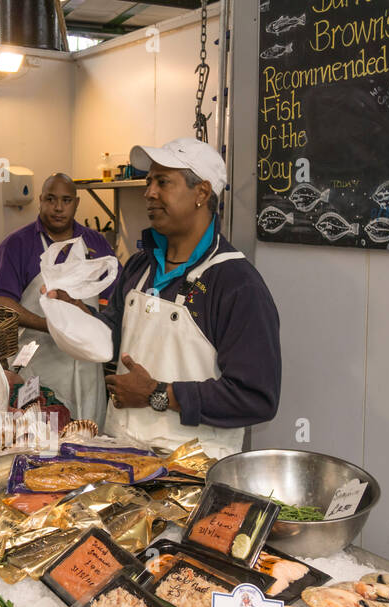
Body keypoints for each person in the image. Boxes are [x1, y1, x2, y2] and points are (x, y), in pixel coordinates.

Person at [50, 138, 281, 460]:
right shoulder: (139, 266)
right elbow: (116, 340)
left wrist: (159, 394)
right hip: (122, 453)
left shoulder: (235, 283)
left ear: (201, 193)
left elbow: (255, 396)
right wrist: (77, 317)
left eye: (163, 182)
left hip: (190, 469)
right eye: (148, 182)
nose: (149, 193)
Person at [0, 173, 120, 424]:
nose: (58, 207)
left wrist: (90, 327)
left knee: (88, 440)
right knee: (38, 440)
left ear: (77, 204)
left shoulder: (96, 244)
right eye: (51, 199)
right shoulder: (16, 245)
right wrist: (52, 326)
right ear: (40, 200)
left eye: (66, 200)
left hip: (87, 368)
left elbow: (116, 301)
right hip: (38, 365)